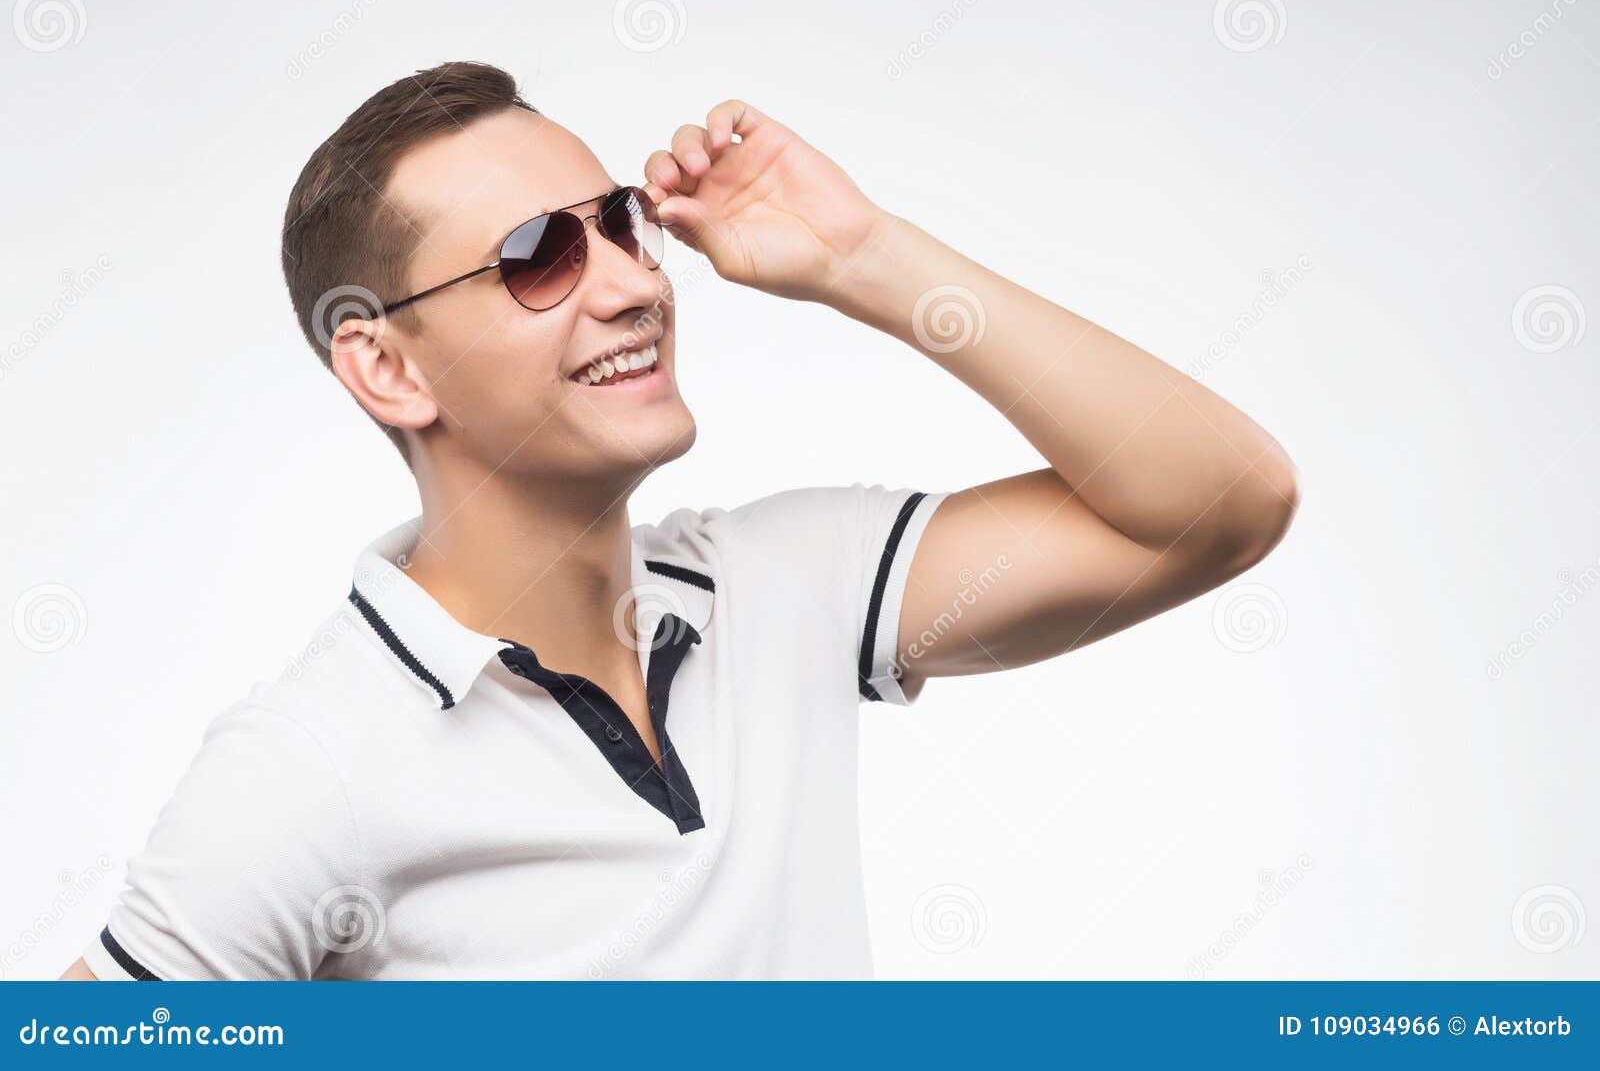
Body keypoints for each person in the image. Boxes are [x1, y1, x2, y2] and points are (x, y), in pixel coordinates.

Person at [65, 61, 1297, 980]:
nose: (631, 281)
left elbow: (1216, 504)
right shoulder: (307, 768)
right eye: (538, 254)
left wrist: (863, 257)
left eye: (616, 221)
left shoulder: (789, 584)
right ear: (387, 368)